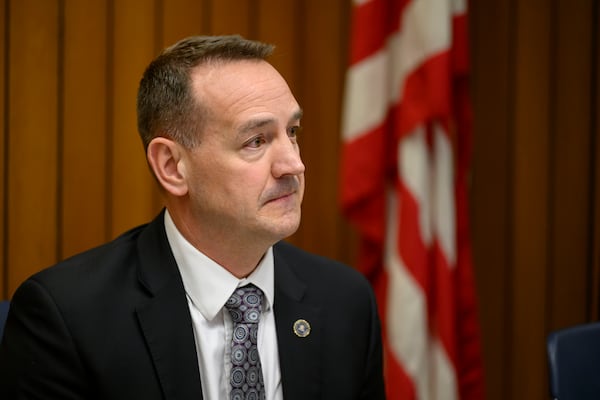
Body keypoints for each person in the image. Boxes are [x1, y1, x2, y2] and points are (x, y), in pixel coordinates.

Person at [0, 35, 385, 400]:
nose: (293, 164)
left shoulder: (345, 303)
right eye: (256, 141)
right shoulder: (68, 318)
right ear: (172, 167)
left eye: (293, 131)